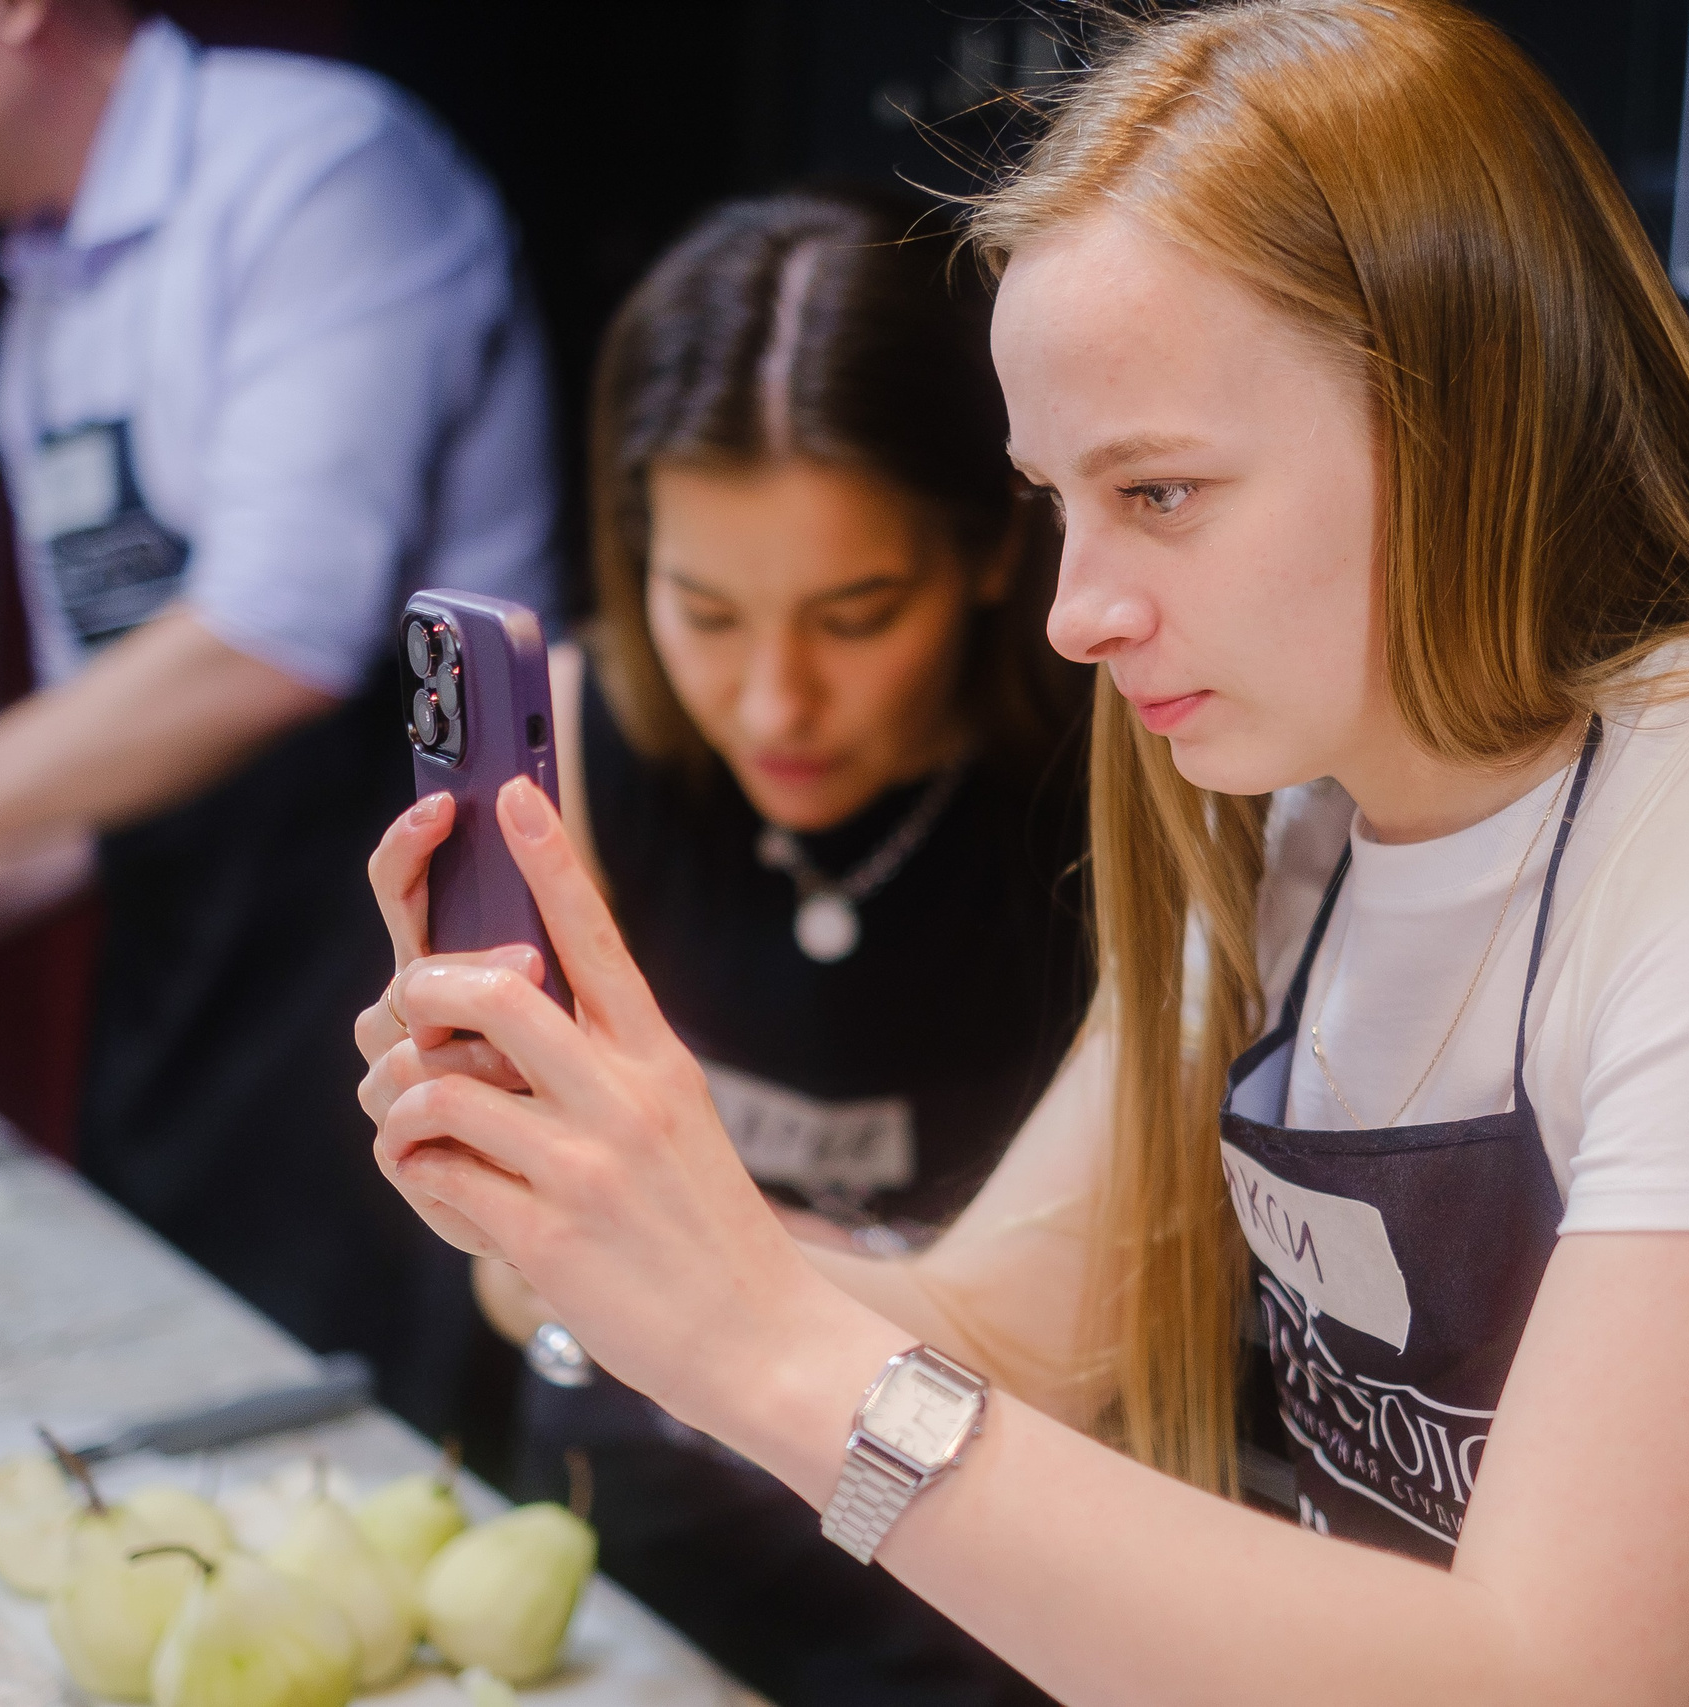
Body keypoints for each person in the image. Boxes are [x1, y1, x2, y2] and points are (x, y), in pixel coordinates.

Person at [355, 3, 1689, 1703]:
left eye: (1160, 493)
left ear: (1461, 411)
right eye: (1058, 503)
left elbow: (1572, 1679)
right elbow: (1014, 1340)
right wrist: (599, 1206)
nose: (1072, 612)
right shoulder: (1296, 821)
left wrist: (755, 1336)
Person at [0, 0, 560, 1429]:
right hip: (192, 951)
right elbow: (134, 743)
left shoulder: (318, 174)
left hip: (413, 939)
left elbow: (277, 643)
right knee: (174, 1398)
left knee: (363, 1445)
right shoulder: (45, 296)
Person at [404, 189, 1088, 1707]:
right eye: (705, 611)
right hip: (606, 1593)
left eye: (857, 614)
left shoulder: (1120, 798)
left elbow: (1076, 1359)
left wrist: (626, 1240)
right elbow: (514, 1271)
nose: (775, 704)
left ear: (992, 545)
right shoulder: (567, 737)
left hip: (983, 1613)